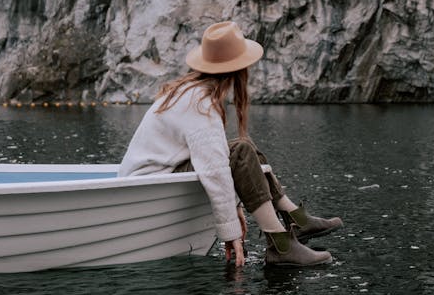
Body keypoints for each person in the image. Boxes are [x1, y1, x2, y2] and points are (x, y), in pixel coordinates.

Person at [118, 21, 343, 267]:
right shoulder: (200, 104)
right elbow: (215, 169)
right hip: (151, 184)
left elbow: (215, 159)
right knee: (241, 152)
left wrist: (235, 204)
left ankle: (294, 219)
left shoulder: (192, 91)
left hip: (154, 177)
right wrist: (231, 233)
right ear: (238, 70)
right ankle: (281, 245)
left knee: (246, 150)